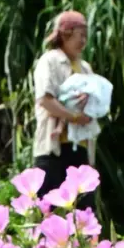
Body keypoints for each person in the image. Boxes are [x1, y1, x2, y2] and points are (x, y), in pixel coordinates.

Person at [33, 10, 96, 200]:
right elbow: (45, 100)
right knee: (50, 210)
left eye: (86, 35)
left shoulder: (85, 68)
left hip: (81, 147)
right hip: (54, 149)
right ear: (66, 34)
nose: (83, 41)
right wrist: (74, 116)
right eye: (80, 35)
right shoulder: (50, 61)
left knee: (83, 213)